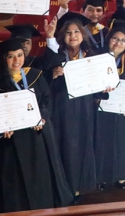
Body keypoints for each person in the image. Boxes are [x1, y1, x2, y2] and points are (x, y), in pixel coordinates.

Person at [0, 38, 73, 212]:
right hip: (13, 140)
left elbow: (46, 99)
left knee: (41, 172)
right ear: (3, 59)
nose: (16, 61)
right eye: (11, 57)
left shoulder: (35, 74)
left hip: (38, 134)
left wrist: (42, 117)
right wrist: (1, 128)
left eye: (19, 55)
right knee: (15, 178)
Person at [47, 13, 110, 202]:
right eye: (68, 32)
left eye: (76, 31)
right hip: (63, 107)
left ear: (83, 35)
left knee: (84, 143)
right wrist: (53, 75)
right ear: (62, 36)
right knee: (66, 145)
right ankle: (67, 184)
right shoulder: (55, 56)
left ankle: (81, 184)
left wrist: (105, 87)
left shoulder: (92, 56)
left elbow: (100, 86)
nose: (73, 35)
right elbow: (44, 84)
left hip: (85, 108)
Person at [93, 21, 125, 191]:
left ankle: (123, 175)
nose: (118, 43)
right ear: (109, 39)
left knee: (123, 141)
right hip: (102, 108)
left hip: (124, 109)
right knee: (102, 141)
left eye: (122, 40)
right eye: (115, 38)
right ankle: (102, 176)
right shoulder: (97, 57)